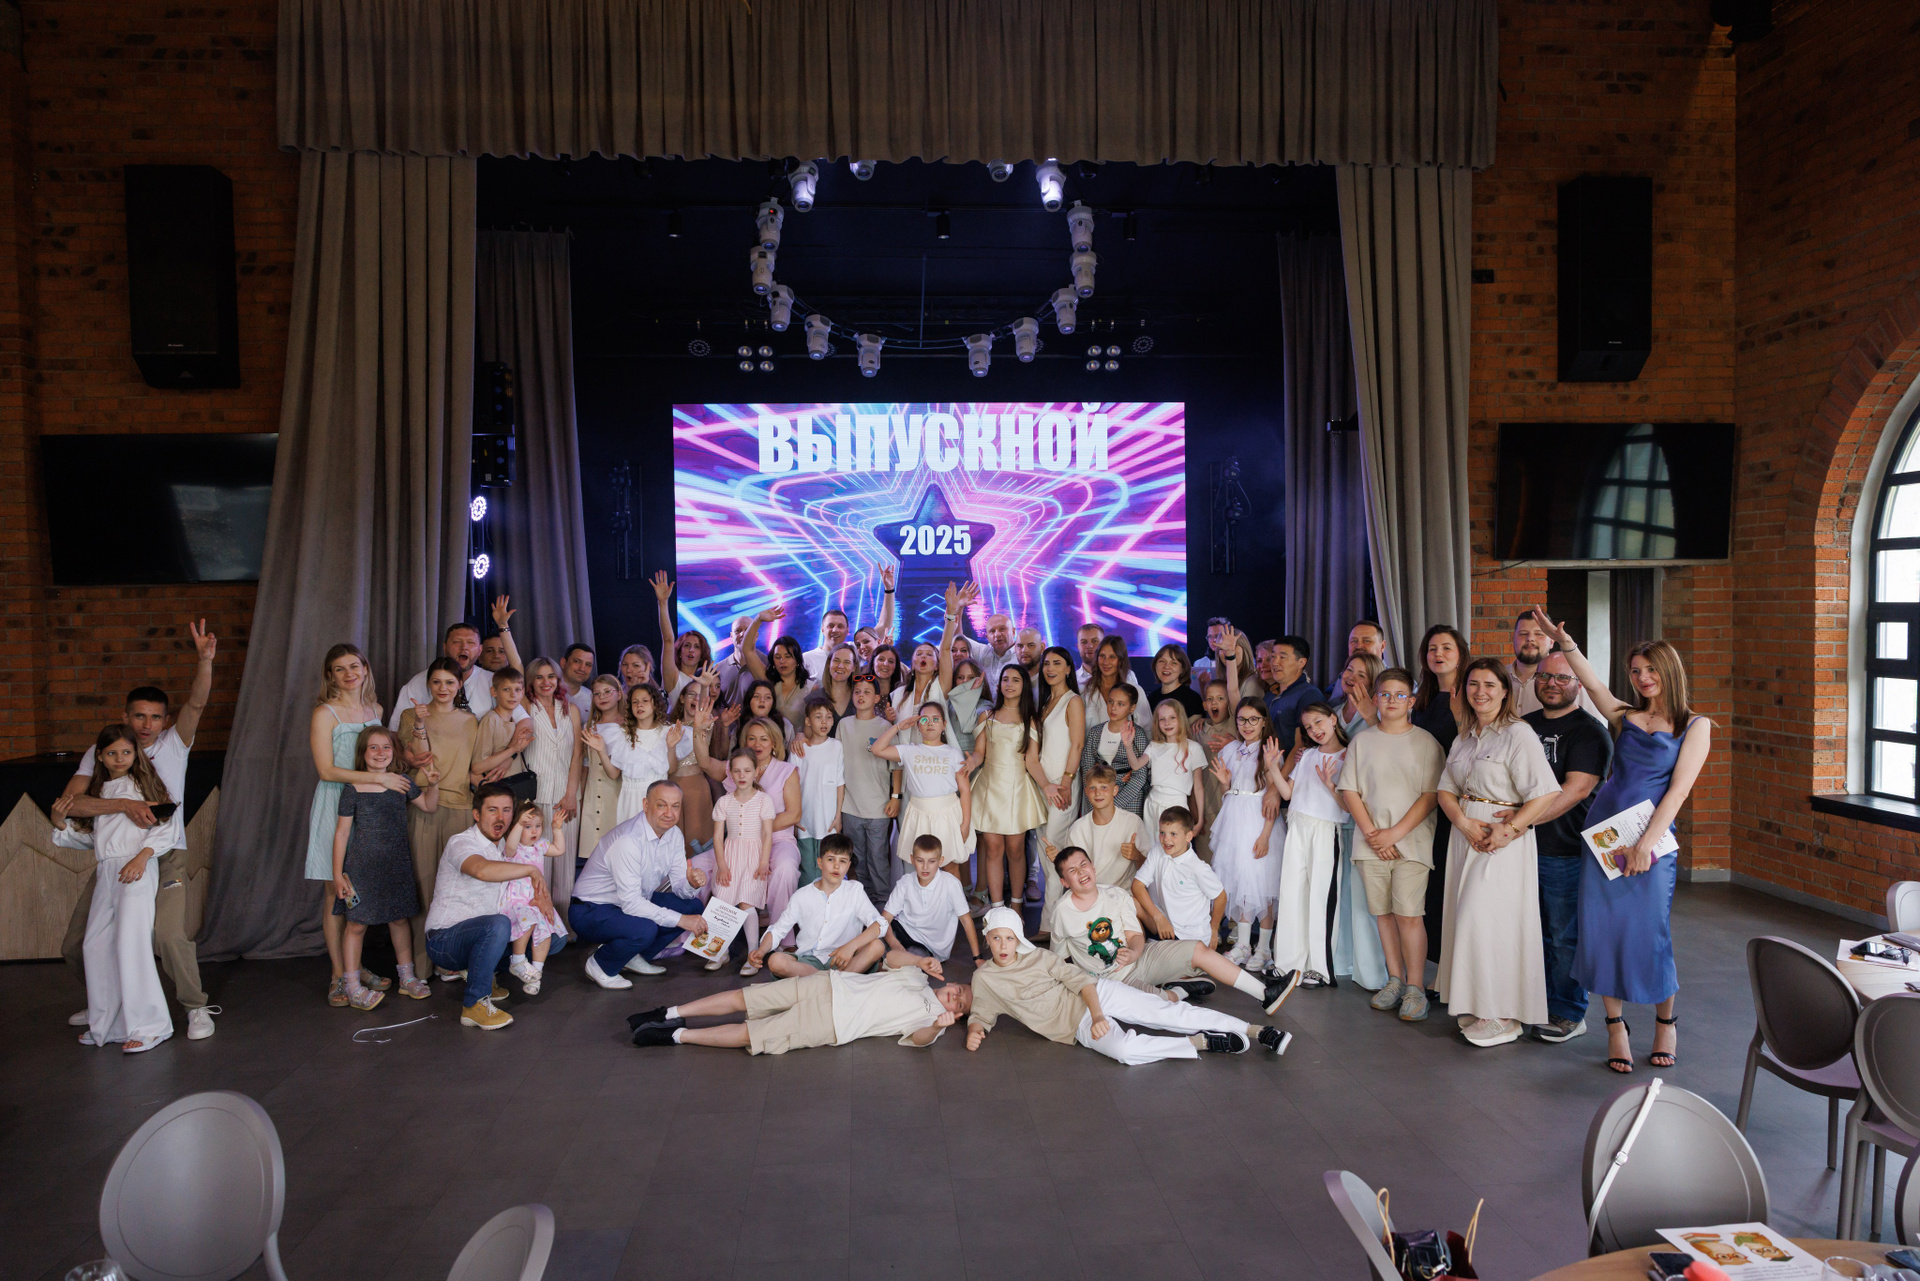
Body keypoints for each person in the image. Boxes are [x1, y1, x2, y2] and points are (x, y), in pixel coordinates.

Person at [1535, 609, 1711, 1074]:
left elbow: (1677, 793)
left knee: (1651, 934)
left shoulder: (1695, 725)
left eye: (1651, 670)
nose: (1643, 678)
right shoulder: (1624, 716)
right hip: (1604, 837)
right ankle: (1615, 1027)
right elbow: (1592, 683)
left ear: (1669, 671)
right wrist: (1563, 644)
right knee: (1601, 933)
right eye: (1635, 671)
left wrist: (1645, 845)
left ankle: (1665, 1022)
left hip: (1650, 840)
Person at [58, 626, 219, 1040]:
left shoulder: (174, 744)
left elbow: (197, 703)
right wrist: (126, 806)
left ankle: (195, 1007)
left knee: (168, 936)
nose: (147, 725)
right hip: (117, 857)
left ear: (165, 720)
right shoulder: (103, 752)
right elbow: (71, 804)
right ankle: (106, 1003)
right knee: (77, 944)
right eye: (139, 716)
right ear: (125, 716)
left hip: (164, 854)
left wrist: (204, 661)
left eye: (155, 717)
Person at [967, 908, 1292, 1065]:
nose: (1003, 945)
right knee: (1125, 1052)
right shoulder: (985, 978)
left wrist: (1098, 1015)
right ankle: (1199, 1043)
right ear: (987, 939)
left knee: (1168, 1014)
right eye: (996, 938)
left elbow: (1082, 982)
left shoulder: (1039, 957)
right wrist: (975, 1030)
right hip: (1075, 1026)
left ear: (1017, 940)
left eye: (1009, 938)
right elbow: (982, 1012)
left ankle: (1256, 1031)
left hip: (1098, 995)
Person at [1434, 658, 1563, 1048]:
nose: (1481, 692)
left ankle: (1503, 1015)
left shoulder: (1518, 734)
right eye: (1473, 684)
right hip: (1466, 835)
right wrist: (1463, 822)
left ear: (1505, 691)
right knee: (1468, 922)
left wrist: (1512, 829)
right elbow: (1445, 789)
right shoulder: (1464, 737)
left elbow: (1545, 793)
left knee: (1489, 921)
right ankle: (1479, 1004)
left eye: (1490, 684)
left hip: (1500, 841)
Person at [1054, 842, 1298, 1007]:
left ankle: (1265, 994)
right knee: (1161, 1004)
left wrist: (1135, 952)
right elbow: (1059, 960)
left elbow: (1135, 935)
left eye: (1084, 864)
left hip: (1142, 958)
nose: (1081, 872)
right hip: (1112, 981)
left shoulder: (1115, 895)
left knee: (1198, 949)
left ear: (1093, 867)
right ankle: (1179, 990)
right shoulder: (1062, 913)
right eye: (1072, 871)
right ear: (1064, 882)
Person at [62, 724, 185, 1052]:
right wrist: (61, 826)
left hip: (136, 867)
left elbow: (167, 826)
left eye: (127, 752)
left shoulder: (143, 785)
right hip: (107, 870)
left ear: (136, 754)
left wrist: (143, 857)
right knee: (96, 946)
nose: (120, 758)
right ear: (100, 757)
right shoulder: (100, 792)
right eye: (112, 753)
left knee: (131, 945)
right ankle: (109, 1025)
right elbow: (95, 837)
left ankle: (151, 1026)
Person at [1336, 668, 1445, 1022]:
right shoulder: (1362, 741)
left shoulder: (1426, 742)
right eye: (1385, 694)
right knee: (1382, 915)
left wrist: (1393, 834)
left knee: (1408, 915)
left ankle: (1416, 986)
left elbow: (1430, 795)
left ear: (1411, 701)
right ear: (1375, 699)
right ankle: (1395, 979)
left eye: (1400, 695)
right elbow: (1349, 790)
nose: (1392, 700)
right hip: (1370, 843)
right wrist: (1373, 834)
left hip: (1411, 844)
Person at [305, 641, 405, 1007]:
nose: (349, 674)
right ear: (330, 676)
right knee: (336, 893)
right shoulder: (324, 713)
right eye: (340, 669)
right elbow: (326, 770)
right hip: (335, 802)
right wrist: (378, 779)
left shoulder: (376, 710)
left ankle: (354, 968)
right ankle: (338, 976)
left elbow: (382, 754)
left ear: (365, 669)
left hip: (371, 809)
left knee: (360, 889)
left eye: (354, 666)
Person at [1520, 650, 1613, 1044]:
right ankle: (1535, 1002)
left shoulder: (1590, 732)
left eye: (1562, 677)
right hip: (1520, 849)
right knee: (1531, 932)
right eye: (1544, 677)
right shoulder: (1523, 726)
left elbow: (1574, 791)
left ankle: (1569, 1012)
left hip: (1565, 851)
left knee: (1562, 935)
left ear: (1578, 683)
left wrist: (1517, 824)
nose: (1552, 684)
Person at [627, 948, 965, 1053]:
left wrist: (938, 1025)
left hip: (831, 1023)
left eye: (960, 1005)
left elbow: (919, 1039)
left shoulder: (933, 1019)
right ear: (951, 983)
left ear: (956, 1014)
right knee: (744, 997)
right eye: (960, 990)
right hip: (825, 984)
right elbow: (890, 956)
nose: (956, 998)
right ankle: (669, 1012)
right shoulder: (918, 977)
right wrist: (920, 960)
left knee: (752, 1034)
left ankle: (675, 1035)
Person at [422, 782, 562, 1029]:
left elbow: (517, 894)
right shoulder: (461, 842)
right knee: (498, 924)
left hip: (484, 934)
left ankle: (486, 976)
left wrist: (543, 898)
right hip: (445, 940)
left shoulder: (506, 848)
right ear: (476, 815)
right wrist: (531, 870)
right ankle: (474, 1004)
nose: (500, 817)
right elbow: (481, 870)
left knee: (552, 934)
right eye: (492, 810)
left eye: (506, 810)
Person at [329, 726, 437, 1010]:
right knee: (356, 925)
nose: (380, 753)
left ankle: (407, 978)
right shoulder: (352, 788)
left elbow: (428, 806)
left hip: (396, 864)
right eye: (373, 747)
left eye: (386, 747)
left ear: (394, 752)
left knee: (399, 920)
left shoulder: (402, 782)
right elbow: (342, 833)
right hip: (361, 868)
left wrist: (433, 784)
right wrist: (337, 874)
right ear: (363, 753)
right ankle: (353, 987)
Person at [571, 780, 708, 989]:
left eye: (675, 806)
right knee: (645, 929)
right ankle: (600, 964)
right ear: (645, 805)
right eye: (661, 805)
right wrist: (682, 921)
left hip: (630, 902)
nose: (669, 813)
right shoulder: (628, 840)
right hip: (590, 909)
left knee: (692, 906)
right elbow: (632, 904)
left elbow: (681, 888)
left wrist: (690, 883)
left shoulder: (674, 834)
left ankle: (632, 956)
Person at [399, 657, 480, 980]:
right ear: (428, 684)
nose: (443, 688)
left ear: (459, 685)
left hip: (460, 807)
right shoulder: (411, 716)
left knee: (457, 888)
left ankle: (450, 961)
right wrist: (420, 723)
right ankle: (421, 966)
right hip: (423, 804)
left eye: (449, 682)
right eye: (436, 682)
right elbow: (418, 757)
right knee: (424, 884)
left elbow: (475, 767)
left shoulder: (471, 721)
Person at [692, 712, 804, 933]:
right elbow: (704, 762)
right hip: (737, 843)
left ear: (774, 743)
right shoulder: (734, 768)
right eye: (752, 738)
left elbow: (794, 815)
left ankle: (781, 936)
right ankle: (696, 932)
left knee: (785, 869)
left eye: (763, 739)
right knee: (697, 865)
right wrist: (698, 731)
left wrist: (755, 828)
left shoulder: (786, 771)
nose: (757, 744)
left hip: (778, 840)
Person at [1264, 703, 1349, 988]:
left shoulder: (1348, 755)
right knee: (1291, 893)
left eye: (1318, 722)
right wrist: (1272, 767)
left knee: (1320, 898)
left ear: (1333, 719)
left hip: (1325, 830)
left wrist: (1330, 786)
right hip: (1297, 827)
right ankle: (1287, 963)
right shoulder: (1308, 754)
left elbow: (1349, 806)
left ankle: (1319, 968)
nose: (1314, 730)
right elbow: (1288, 792)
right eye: (1309, 727)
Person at [1207, 699, 1283, 971]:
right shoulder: (1231, 749)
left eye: (1253, 719)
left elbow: (1273, 798)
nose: (1247, 725)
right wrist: (1226, 783)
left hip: (1257, 820)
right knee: (1239, 881)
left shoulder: (1268, 751)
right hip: (1234, 820)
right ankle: (1242, 945)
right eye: (1242, 719)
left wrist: (1265, 835)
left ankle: (1263, 947)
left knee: (1262, 884)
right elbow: (1230, 789)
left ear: (1263, 721)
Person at [968, 663, 1050, 912]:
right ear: (999, 684)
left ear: (1024, 685)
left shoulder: (1031, 720)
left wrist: (1047, 786)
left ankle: (1016, 906)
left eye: (1015, 679)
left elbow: (1032, 761)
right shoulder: (987, 717)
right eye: (1005, 679)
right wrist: (969, 763)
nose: (1009, 684)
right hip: (990, 788)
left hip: (1017, 790)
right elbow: (979, 753)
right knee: (993, 849)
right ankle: (996, 908)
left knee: (1015, 850)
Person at [749, 834, 887, 976]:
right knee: (775, 961)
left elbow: (880, 925)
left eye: (843, 861)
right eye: (831, 859)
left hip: (843, 960)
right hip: (809, 961)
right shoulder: (801, 896)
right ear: (820, 863)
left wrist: (851, 947)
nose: (836, 866)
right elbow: (778, 931)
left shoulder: (855, 891)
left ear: (848, 866)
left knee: (877, 946)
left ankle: (823, 981)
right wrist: (761, 951)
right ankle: (834, 980)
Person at [1412, 623, 1470, 962]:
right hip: (1422, 798)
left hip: (1455, 799)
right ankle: (1433, 963)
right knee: (1430, 882)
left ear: (1460, 654)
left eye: (1446, 648)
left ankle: (1452, 963)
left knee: (1451, 881)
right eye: (1432, 649)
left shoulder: (1470, 694)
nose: (1439, 654)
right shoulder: (1422, 698)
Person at [871, 701, 973, 884]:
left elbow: (965, 791)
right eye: (924, 719)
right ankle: (926, 902)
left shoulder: (953, 754)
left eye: (936, 719)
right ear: (918, 726)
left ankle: (954, 902)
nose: (930, 723)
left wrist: (965, 824)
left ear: (944, 725)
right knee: (923, 866)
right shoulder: (910, 751)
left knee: (949, 865)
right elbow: (877, 749)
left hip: (947, 814)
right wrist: (898, 727)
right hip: (919, 814)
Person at [1039, 763, 1145, 931]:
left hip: (1122, 895)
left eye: (1104, 787)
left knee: (1134, 935)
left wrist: (1137, 856)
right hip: (1089, 896)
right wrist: (1058, 859)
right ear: (1086, 792)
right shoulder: (1078, 828)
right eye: (1092, 788)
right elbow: (1072, 873)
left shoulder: (1133, 822)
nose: (1098, 793)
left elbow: (1148, 870)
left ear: (1115, 790)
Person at [522, 656, 583, 918]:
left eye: (550, 676)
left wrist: (571, 794)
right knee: (539, 863)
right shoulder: (525, 706)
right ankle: (540, 923)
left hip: (566, 797)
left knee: (565, 865)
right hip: (535, 797)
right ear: (530, 681)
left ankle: (564, 924)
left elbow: (577, 754)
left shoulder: (571, 709)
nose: (545, 682)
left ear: (558, 680)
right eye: (539, 677)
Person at [834, 674, 903, 905]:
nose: (861, 696)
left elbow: (896, 766)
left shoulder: (885, 727)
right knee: (858, 859)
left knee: (878, 858)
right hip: (850, 807)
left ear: (877, 698)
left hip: (878, 808)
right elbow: (836, 765)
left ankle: (883, 904)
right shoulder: (844, 725)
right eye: (857, 692)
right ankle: (863, 903)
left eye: (866, 692)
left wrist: (895, 797)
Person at [709, 749, 777, 975]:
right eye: (737, 771)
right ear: (730, 773)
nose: (742, 775)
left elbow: (767, 834)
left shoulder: (763, 800)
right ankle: (720, 951)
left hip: (753, 858)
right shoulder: (724, 802)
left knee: (747, 904)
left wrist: (764, 862)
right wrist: (722, 865)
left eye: (747, 770)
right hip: (730, 857)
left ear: (756, 772)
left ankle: (753, 955)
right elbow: (718, 837)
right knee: (723, 903)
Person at [586, 683, 686, 826]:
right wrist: (602, 751)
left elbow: (671, 769)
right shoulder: (623, 735)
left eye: (645, 701)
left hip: (659, 797)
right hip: (630, 798)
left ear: (655, 704)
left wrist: (671, 747)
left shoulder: (666, 732)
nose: (639, 705)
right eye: (635, 702)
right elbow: (613, 774)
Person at [499, 801, 570, 995]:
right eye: (527, 826)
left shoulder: (539, 846)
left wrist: (557, 829)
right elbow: (510, 846)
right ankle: (517, 960)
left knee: (545, 930)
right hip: (517, 899)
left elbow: (559, 849)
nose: (534, 831)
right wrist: (518, 824)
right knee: (528, 920)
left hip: (535, 899)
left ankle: (536, 972)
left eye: (538, 826)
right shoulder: (513, 848)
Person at [1130, 807, 1224, 948]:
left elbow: (1221, 896)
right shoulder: (1158, 850)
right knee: (1129, 902)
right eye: (1162, 833)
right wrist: (1159, 918)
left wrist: (1214, 930)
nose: (1166, 839)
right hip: (1163, 925)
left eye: (1173, 834)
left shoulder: (1197, 867)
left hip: (1189, 935)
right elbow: (1137, 885)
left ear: (1188, 836)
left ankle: (1154, 950)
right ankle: (1140, 950)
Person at [884, 835, 981, 962]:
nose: (925, 867)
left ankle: (884, 962)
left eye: (932, 861)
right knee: (875, 944)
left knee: (910, 960)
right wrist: (895, 945)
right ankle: (882, 961)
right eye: (920, 860)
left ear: (940, 861)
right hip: (902, 930)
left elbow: (966, 920)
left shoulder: (950, 884)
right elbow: (885, 919)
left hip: (927, 947)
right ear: (912, 860)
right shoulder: (905, 882)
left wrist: (977, 957)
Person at [389, 621, 494, 728]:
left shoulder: (492, 681)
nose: (464, 647)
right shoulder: (417, 683)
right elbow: (395, 729)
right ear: (445, 647)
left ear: (480, 650)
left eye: (471, 642)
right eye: (457, 642)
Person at [1129, 698, 1208, 837]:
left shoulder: (1194, 748)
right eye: (1162, 719)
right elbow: (1136, 765)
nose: (1167, 723)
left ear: (1181, 719)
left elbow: (1198, 787)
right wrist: (1128, 745)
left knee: (1174, 845)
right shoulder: (1154, 745)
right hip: (1153, 804)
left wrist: (1200, 819)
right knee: (1152, 846)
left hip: (1177, 805)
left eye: (1172, 718)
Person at [1035, 645, 1086, 858]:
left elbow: (1077, 745)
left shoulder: (1073, 701)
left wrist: (1066, 783)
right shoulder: (1045, 702)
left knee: (1055, 843)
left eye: (1057, 663)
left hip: (1062, 782)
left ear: (1068, 669)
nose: (1050, 668)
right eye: (1046, 664)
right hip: (1042, 783)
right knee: (1043, 843)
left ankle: (1060, 882)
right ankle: (1050, 883)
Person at [574, 674, 628, 870]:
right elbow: (585, 764)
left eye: (607, 692)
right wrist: (580, 795)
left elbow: (616, 772)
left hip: (614, 792)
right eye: (597, 694)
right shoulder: (589, 727)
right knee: (593, 853)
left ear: (619, 695)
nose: (602, 697)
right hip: (592, 791)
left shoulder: (627, 726)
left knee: (613, 849)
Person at [791, 696, 845, 885]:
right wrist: (794, 816)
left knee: (829, 867)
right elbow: (792, 786)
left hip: (829, 820)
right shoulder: (799, 749)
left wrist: (838, 816)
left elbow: (839, 783)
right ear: (807, 721)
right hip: (804, 820)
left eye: (829, 717)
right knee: (807, 870)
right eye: (818, 717)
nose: (824, 722)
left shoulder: (836, 746)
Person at [1509, 609, 1600, 719]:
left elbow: (1593, 725)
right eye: (1523, 634)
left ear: (1552, 641)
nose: (1530, 639)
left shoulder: (1571, 682)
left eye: (1539, 634)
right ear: (1513, 639)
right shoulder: (1497, 677)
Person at [741, 605, 818, 732]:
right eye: (778, 657)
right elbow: (747, 649)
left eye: (788, 656)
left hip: (798, 743)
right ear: (773, 661)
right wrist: (758, 619)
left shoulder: (811, 688)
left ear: (797, 660)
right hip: (767, 741)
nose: (782, 661)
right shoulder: (767, 681)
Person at [1080, 683, 1151, 816]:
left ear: (1132, 708)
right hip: (1098, 796)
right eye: (1111, 702)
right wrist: (1095, 798)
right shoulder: (1095, 732)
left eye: (1120, 704)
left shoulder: (1138, 734)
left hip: (1129, 799)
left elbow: (1140, 776)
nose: (1113, 708)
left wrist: (1113, 805)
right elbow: (1087, 770)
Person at [650, 572, 714, 710]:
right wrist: (662, 602)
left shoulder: (708, 680)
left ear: (702, 654)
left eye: (697, 647)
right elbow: (668, 640)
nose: (691, 650)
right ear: (679, 652)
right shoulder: (674, 677)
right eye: (687, 645)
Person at [469, 666, 535, 796]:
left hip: (514, 791)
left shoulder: (513, 721)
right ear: (494, 692)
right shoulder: (491, 720)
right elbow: (477, 767)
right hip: (495, 794)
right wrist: (513, 749)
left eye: (517, 690)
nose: (513, 695)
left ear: (522, 693)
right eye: (506, 689)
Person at [1263, 635, 1322, 752]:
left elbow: (1301, 745)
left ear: (1301, 662)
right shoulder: (1269, 695)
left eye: (1282, 657)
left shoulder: (1309, 695)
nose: (1275, 663)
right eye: (1273, 657)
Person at [1082, 634, 1150, 733]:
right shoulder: (1084, 690)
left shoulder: (1136, 691)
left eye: (1112, 657)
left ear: (1121, 660)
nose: (1106, 662)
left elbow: (1147, 729)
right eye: (1102, 656)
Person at [1334, 652, 1383, 739]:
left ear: (1373, 684)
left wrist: (1372, 718)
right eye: (1349, 670)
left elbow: (1389, 743)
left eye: (1361, 675)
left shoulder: (1381, 713)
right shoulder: (1333, 712)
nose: (1351, 677)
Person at [1149, 645, 1205, 720]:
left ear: (1182, 669)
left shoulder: (1192, 699)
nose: (1166, 666)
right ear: (1155, 665)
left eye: (1173, 663)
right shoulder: (1151, 698)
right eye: (1162, 661)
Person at [560, 642, 598, 720]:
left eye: (588, 665)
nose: (582, 668)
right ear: (563, 663)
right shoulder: (547, 692)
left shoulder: (593, 699)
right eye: (577, 661)